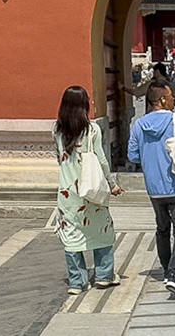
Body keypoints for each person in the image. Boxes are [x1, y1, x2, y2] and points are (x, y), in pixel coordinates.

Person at [127, 83, 175, 298]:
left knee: (162, 228)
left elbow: (132, 156)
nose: (173, 99)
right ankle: (174, 274)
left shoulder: (139, 125)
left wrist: (151, 158)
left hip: (154, 188)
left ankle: (167, 269)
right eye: (170, 96)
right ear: (161, 100)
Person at [53, 85, 124, 294]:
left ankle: (77, 282)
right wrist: (112, 185)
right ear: (84, 105)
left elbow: (60, 158)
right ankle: (104, 275)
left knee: (72, 234)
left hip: (68, 192)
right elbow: (101, 159)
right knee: (103, 230)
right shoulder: (92, 130)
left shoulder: (56, 129)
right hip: (91, 191)